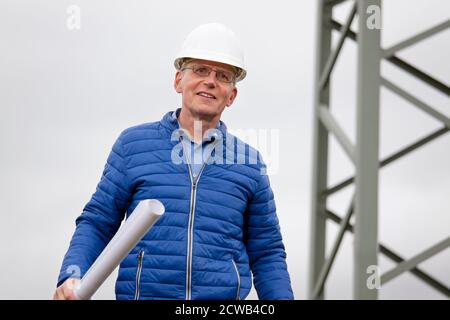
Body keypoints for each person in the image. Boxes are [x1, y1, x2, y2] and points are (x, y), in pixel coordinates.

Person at [54, 22, 294, 300]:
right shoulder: (133, 145)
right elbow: (98, 221)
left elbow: (267, 253)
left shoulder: (250, 163)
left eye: (223, 75)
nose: (211, 81)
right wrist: (73, 274)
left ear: (232, 95)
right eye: (200, 70)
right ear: (178, 80)